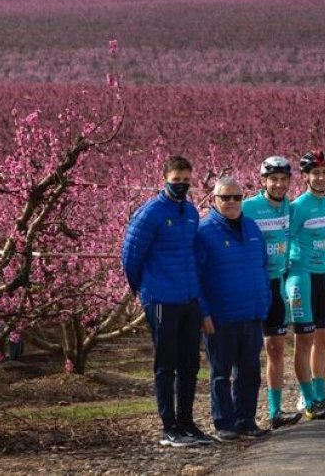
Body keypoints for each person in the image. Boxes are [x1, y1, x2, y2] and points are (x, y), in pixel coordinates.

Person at [121, 155, 212, 448]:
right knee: (166, 364)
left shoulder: (190, 212)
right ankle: (168, 426)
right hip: (161, 297)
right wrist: (143, 289)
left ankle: (187, 422)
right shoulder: (150, 213)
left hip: (188, 297)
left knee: (190, 363)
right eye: (177, 181)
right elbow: (131, 255)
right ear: (165, 179)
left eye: (186, 181)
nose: (182, 186)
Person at [194, 176, 271, 442]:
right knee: (221, 374)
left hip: (251, 315)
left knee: (250, 372)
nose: (231, 202)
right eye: (225, 197)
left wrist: (264, 303)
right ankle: (224, 423)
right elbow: (196, 277)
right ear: (214, 200)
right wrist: (204, 313)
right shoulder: (204, 232)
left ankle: (245, 420)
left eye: (236, 197)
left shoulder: (251, 228)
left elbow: (262, 265)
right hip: (221, 317)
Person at [240, 157, 303, 429]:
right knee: (248, 352)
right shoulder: (248, 207)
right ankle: (243, 415)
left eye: (283, 179)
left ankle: (275, 411)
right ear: (263, 181)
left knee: (276, 349)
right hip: (252, 287)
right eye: (273, 179)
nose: (278, 184)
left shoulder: (292, 207)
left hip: (277, 285)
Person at [287, 151, 325, 419]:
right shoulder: (298, 207)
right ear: (305, 176)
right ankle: (307, 399)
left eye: (324, 173)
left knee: (324, 339)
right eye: (315, 173)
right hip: (301, 277)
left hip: (323, 277)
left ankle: (320, 395)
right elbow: (285, 241)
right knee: (304, 340)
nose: (320, 178)